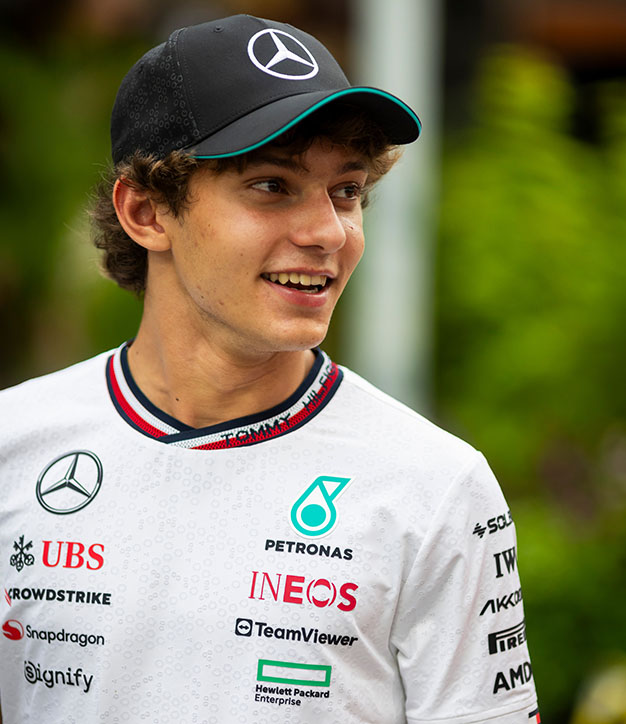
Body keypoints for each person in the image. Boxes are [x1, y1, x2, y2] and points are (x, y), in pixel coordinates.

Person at [0, 14, 539, 724]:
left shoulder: (437, 487)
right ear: (147, 212)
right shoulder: (13, 445)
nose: (328, 232)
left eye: (346, 191)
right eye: (271, 186)